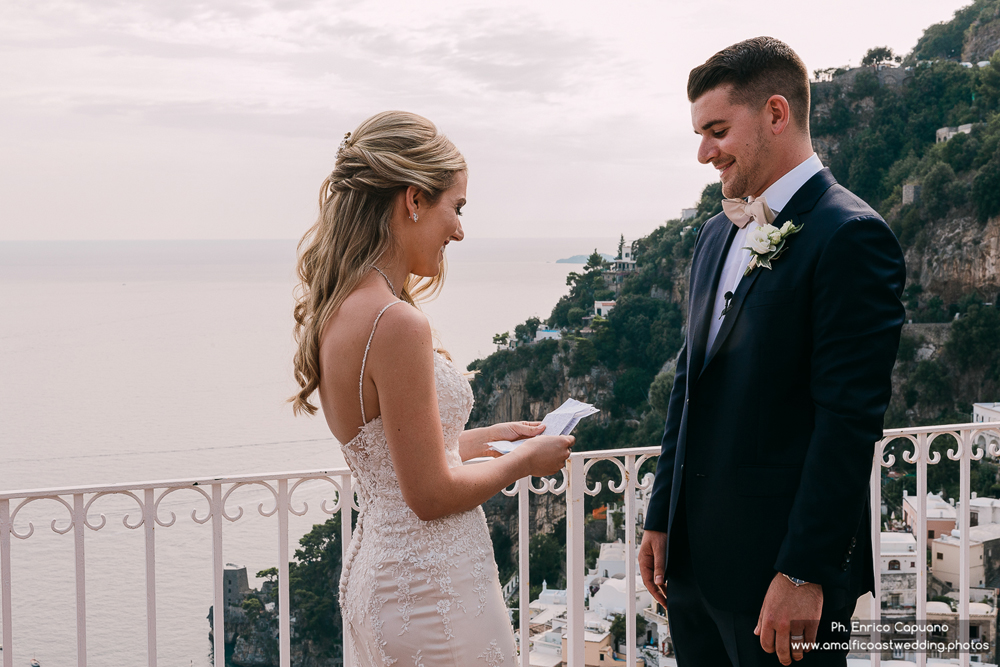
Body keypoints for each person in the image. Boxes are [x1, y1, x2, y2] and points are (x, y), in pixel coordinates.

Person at [638, 38, 906, 666]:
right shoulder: (712, 235)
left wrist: (803, 571)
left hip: (779, 583)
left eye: (718, 130)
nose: (704, 152)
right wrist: (660, 517)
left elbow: (848, 420)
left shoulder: (852, 236)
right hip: (696, 573)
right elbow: (689, 384)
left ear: (777, 113)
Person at [290, 110, 574, 667]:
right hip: (432, 591)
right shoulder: (396, 322)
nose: (461, 229)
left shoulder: (339, 309)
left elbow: (395, 462)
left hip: (385, 577)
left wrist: (491, 440)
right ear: (414, 199)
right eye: (457, 207)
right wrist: (525, 462)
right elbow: (429, 496)